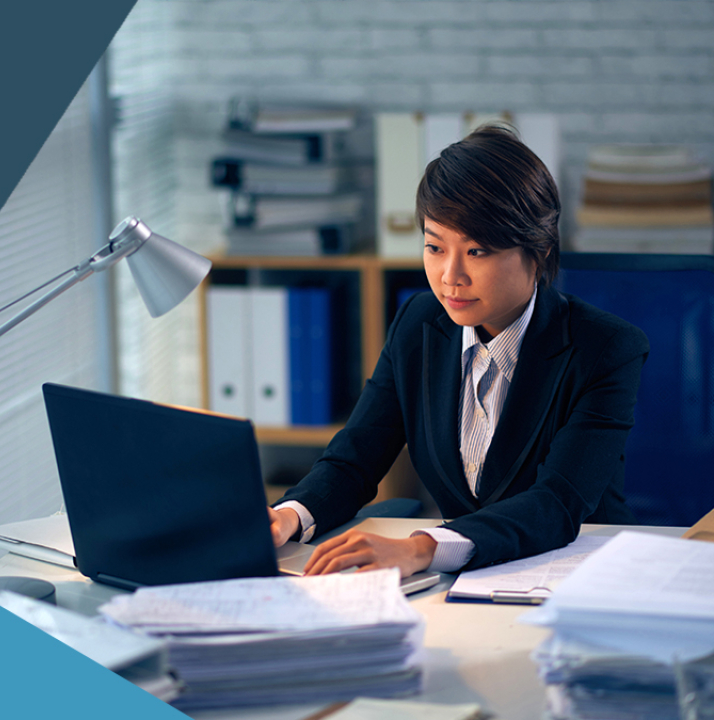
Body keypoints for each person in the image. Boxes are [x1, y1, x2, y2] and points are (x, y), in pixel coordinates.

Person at [267, 124, 648, 577]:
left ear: (539, 251)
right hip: (467, 582)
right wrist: (289, 514)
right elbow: (355, 457)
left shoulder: (603, 349)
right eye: (434, 247)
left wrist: (423, 548)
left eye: (478, 251)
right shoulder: (420, 324)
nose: (450, 276)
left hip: (577, 575)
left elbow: (558, 502)